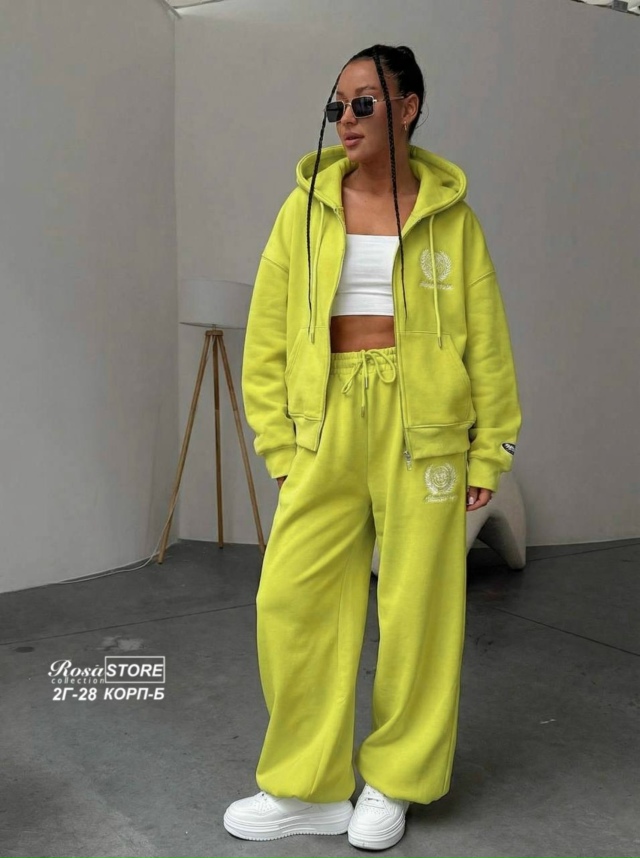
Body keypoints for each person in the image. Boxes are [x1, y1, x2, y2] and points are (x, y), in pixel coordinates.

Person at [225, 44, 522, 851]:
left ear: (408, 107)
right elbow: (267, 336)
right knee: (293, 603)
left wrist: (489, 450)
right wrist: (280, 443)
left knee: (419, 609)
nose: (346, 120)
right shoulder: (303, 210)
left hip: (425, 427)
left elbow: (488, 341)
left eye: (364, 102)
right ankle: (306, 789)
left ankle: (394, 781)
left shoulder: (452, 218)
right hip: (326, 421)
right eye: (337, 107)